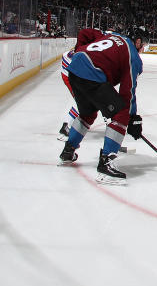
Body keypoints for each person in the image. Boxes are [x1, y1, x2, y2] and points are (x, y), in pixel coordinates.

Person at [58, 30, 146, 183]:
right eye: (143, 44)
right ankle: (107, 163)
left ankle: (68, 150)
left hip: (74, 68)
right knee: (121, 113)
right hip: (92, 74)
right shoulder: (134, 57)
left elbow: (85, 34)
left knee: (88, 113)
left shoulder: (115, 36)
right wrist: (132, 117)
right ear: (137, 42)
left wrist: (79, 51)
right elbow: (128, 91)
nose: (143, 48)